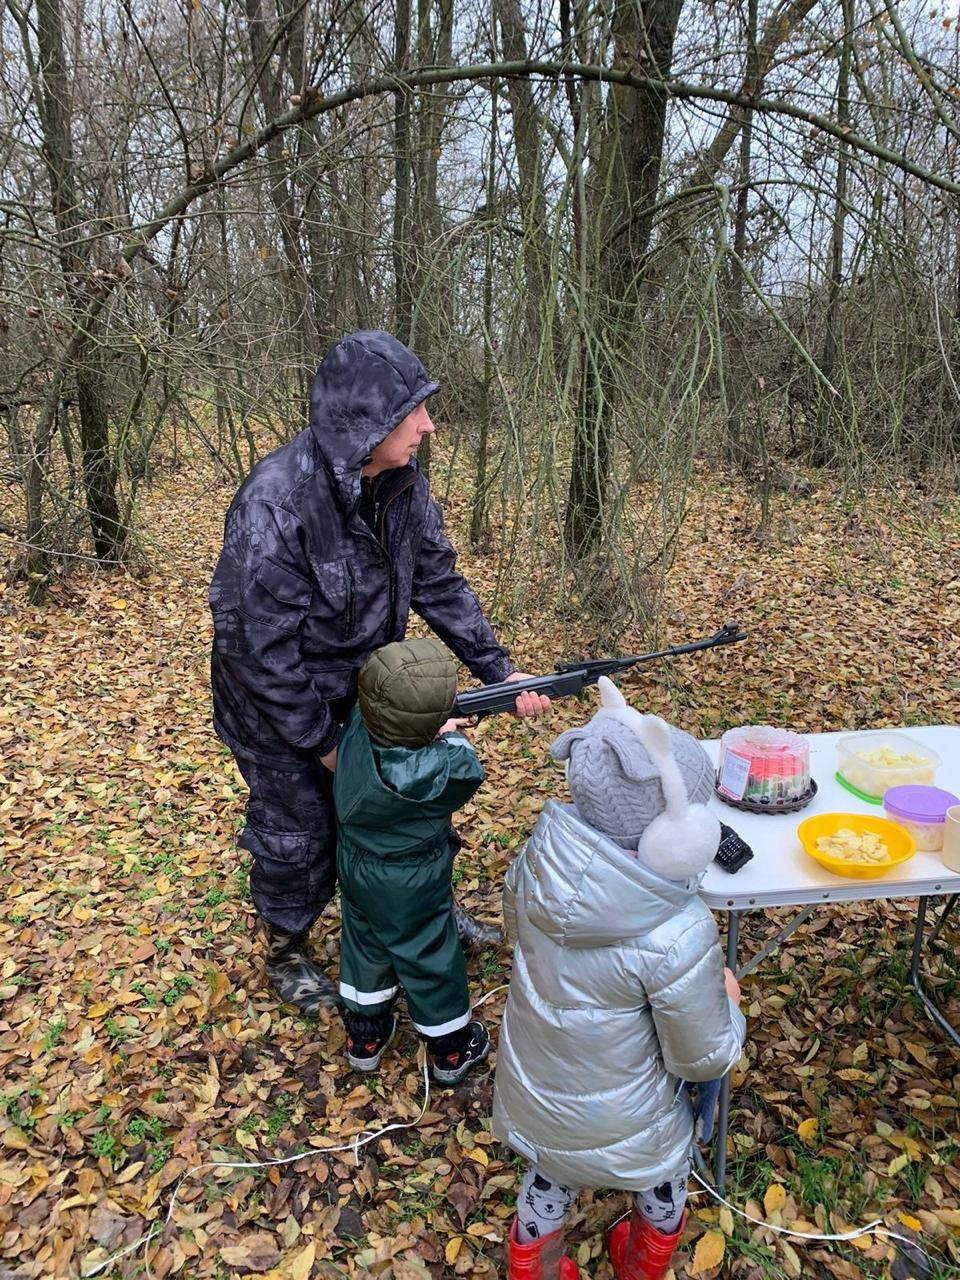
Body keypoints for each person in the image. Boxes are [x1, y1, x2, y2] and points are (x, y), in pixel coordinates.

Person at [208, 330, 548, 1015]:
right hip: (277, 706)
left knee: (408, 806)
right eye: (413, 411)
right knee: (300, 828)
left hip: (373, 689)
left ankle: (419, 912)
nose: (428, 424)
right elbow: (258, 653)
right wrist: (331, 748)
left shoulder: (402, 488)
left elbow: (440, 583)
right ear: (363, 423)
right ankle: (287, 944)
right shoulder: (276, 503)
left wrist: (501, 673)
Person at [492, 677, 746, 1280]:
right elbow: (702, 1054)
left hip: (541, 1091)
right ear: (673, 834)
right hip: (637, 1118)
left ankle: (536, 1269)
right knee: (664, 1189)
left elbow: (512, 930)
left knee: (547, 1182)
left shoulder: (537, 863)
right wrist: (729, 1004)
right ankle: (641, 1266)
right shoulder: (676, 930)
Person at [335, 637, 492, 1085]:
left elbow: (396, 724)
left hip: (358, 869)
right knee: (429, 953)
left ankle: (364, 1038)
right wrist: (452, 735)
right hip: (413, 881)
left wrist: (432, 727)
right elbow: (464, 768)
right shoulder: (442, 767)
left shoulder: (356, 733)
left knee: (365, 944)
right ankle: (451, 1050)